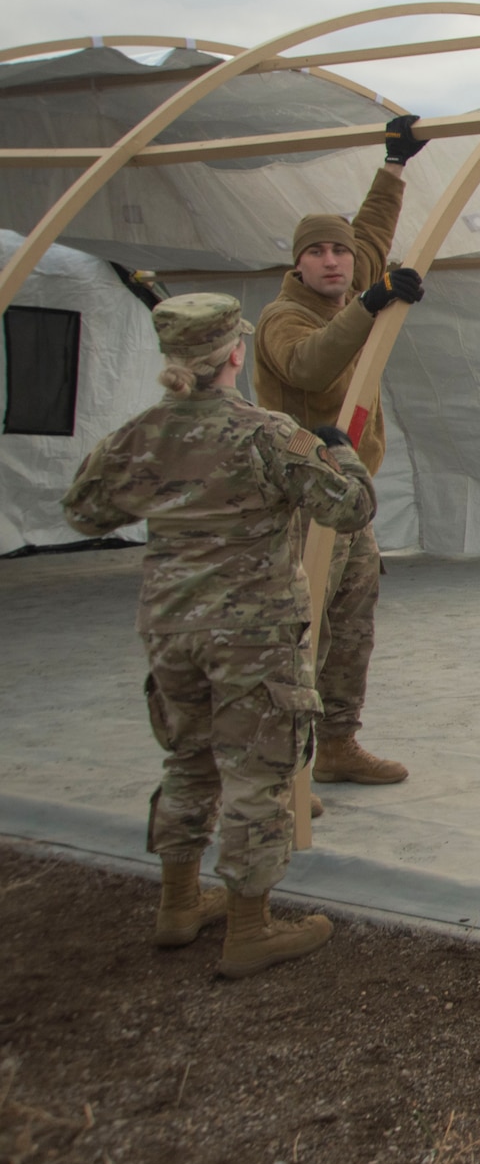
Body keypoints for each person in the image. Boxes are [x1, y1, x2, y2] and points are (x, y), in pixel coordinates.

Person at [61, 294, 376, 977]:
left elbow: (84, 509)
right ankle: (249, 927)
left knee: (187, 760)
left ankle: (178, 905)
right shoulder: (266, 433)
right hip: (252, 633)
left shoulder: (139, 434)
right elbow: (349, 507)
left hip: (171, 628)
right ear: (235, 353)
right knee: (257, 772)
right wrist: (340, 453)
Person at [254, 115, 429, 786]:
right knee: (297, 633)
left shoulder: (352, 287)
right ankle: (281, 771)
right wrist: (374, 303)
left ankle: (336, 744)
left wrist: (394, 165)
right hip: (300, 504)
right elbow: (310, 369)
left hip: (347, 503)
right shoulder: (284, 317)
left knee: (352, 626)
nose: (334, 260)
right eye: (318, 251)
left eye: (340, 252)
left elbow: (373, 231)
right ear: (296, 262)